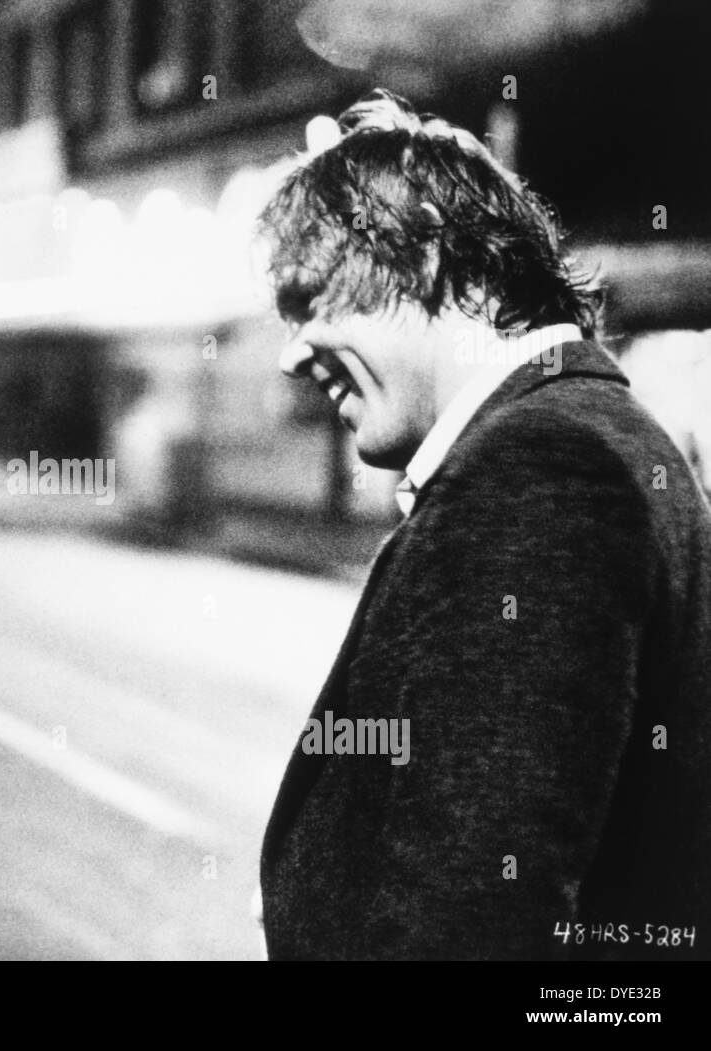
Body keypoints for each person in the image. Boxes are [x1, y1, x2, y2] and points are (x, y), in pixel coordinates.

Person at [258, 89, 711, 960]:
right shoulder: (593, 430)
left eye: (309, 299)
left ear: (426, 253)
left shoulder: (538, 468)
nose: (291, 351)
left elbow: (477, 909)